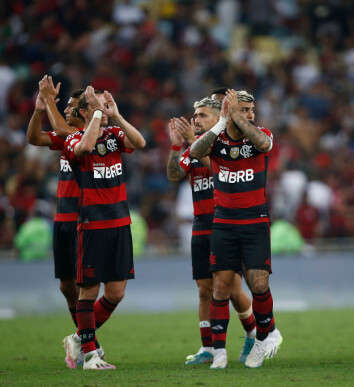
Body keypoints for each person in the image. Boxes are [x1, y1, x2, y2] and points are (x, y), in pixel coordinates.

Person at [189, 89, 282, 369]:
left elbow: (265, 145)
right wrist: (222, 123)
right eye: (244, 109)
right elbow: (195, 150)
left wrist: (239, 120)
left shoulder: (260, 134)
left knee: (259, 284)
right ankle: (218, 351)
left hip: (255, 221)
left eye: (251, 109)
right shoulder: (216, 140)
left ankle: (263, 341)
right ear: (229, 112)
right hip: (224, 223)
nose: (250, 114)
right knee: (220, 286)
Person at [26, 76, 112, 367]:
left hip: (85, 218)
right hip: (61, 218)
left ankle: (83, 340)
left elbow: (62, 130)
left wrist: (49, 99)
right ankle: (89, 341)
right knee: (67, 286)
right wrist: (40, 109)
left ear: (84, 112)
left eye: (72, 107)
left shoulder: (89, 136)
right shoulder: (66, 135)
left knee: (88, 285)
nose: (66, 112)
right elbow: (34, 138)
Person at [166, 97, 258, 365]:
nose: (196, 119)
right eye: (195, 115)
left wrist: (195, 140)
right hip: (201, 225)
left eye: (202, 115)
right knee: (204, 289)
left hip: (227, 223)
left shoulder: (226, 145)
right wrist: (176, 145)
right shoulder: (193, 148)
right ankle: (207, 347)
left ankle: (253, 334)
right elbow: (174, 175)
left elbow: (220, 171)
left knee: (230, 288)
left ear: (219, 117)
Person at [62, 86, 146, 370]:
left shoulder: (114, 135)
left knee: (116, 293)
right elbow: (85, 148)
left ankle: (79, 338)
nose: (104, 107)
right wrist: (97, 112)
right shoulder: (73, 139)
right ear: (85, 112)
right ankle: (90, 356)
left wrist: (116, 114)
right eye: (97, 104)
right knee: (89, 290)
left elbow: (140, 142)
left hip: (120, 221)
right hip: (93, 224)